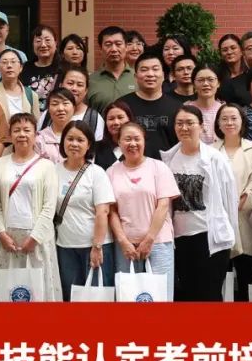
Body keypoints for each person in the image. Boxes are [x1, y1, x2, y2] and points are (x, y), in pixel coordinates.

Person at [161, 105, 238, 301]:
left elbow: (230, 199)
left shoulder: (215, 159)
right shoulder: (169, 159)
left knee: (209, 295)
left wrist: (231, 235)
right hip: (179, 238)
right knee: (186, 295)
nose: (184, 128)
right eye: (179, 123)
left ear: (202, 126)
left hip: (209, 236)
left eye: (190, 123)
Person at [0, 112, 61, 301]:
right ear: (10, 135)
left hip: (37, 239)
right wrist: (1, 233)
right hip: (8, 240)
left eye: (27, 130)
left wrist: (35, 237)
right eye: (17, 130)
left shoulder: (46, 166)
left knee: (38, 291)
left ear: (35, 134)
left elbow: (49, 206)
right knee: (7, 291)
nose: (22, 134)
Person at [107, 122, 180, 299]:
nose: (132, 143)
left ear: (144, 141)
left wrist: (149, 239)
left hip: (158, 242)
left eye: (136, 139)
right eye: (127, 139)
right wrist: (123, 241)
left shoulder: (159, 167)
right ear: (119, 142)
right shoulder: (111, 172)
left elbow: (163, 205)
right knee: (129, 298)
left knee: (160, 296)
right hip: (125, 246)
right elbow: (111, 211)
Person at [54, 121, 115, 301]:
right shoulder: (54, 170)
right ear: (63, 142)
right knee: (71, 297)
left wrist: (97, 246)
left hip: (95, 245)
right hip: (65, 245)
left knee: (96, 299)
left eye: (80, 140)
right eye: (70, 139)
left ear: (88, 145)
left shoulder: (97, 173)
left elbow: (102, 212)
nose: (74, 144)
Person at [212, 103, 252, 301]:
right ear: (218, 123)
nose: (229, 122)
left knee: (246, 278)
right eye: (224, 119)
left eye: (234, 118)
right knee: (218, 279)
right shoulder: (210, 150)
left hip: (245, 220)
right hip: (218, 221)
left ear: (242, 121)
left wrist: (240, 202)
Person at [119, 52, 179, 158]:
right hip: (129, 164)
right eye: (144, 70)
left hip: (167, 165)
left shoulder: (177, 107)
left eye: (155, 69)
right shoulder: (122, 106)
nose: (150, 74)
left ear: (163, 75)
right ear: (135, 76)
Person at [41, 64, 104, 139]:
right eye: (70, 83)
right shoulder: (49, 114)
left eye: (79, 85)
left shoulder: (94, 118)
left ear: (86, 90)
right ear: (61, 85)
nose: (74, 88)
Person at [87, 26, 136, 115]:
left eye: (118, 44)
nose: (114, 49)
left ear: (126, 47)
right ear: (101, 49)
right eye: (108, 44)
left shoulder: (138, 77)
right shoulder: (90, 80)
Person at [0, 49, 39, 123]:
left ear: (21, 67)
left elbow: (36, 124)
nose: (9, 65)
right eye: (4, 62)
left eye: (13, 62)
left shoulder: (31, 95)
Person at [19, 25, 60, 112]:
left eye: (47, 40)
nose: (43, 45)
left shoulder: (64, 68)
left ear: (56, 43)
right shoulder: (24, 69)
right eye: (38, 41)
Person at [184, 64, 223, 144]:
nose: (205, 84)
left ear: (218, 83)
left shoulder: (224, 110)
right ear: (193, 84)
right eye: (200, 80)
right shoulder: (185, 110)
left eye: (210, 79)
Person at [37, 88, 75, 164]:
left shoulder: (82, 137)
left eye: (65, 103)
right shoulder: (39, 139)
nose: (60, 108)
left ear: (74, 108)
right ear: (48, 109)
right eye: (55, 104)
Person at [94, 100, 132, 170]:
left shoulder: (139, 146)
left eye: (120, 117)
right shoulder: (96, 148)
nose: (116, 122)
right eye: (111, 119)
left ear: (129, 119)